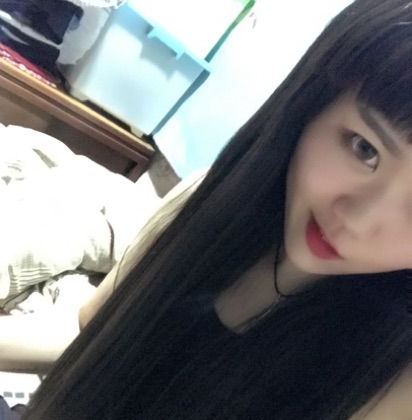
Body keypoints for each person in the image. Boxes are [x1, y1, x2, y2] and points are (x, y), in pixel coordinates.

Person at [23, 0, 412, 418]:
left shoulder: (396, 377)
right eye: (364, 149)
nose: (358, 220)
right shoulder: (208, 202)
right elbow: (93, 334)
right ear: (313, 104)